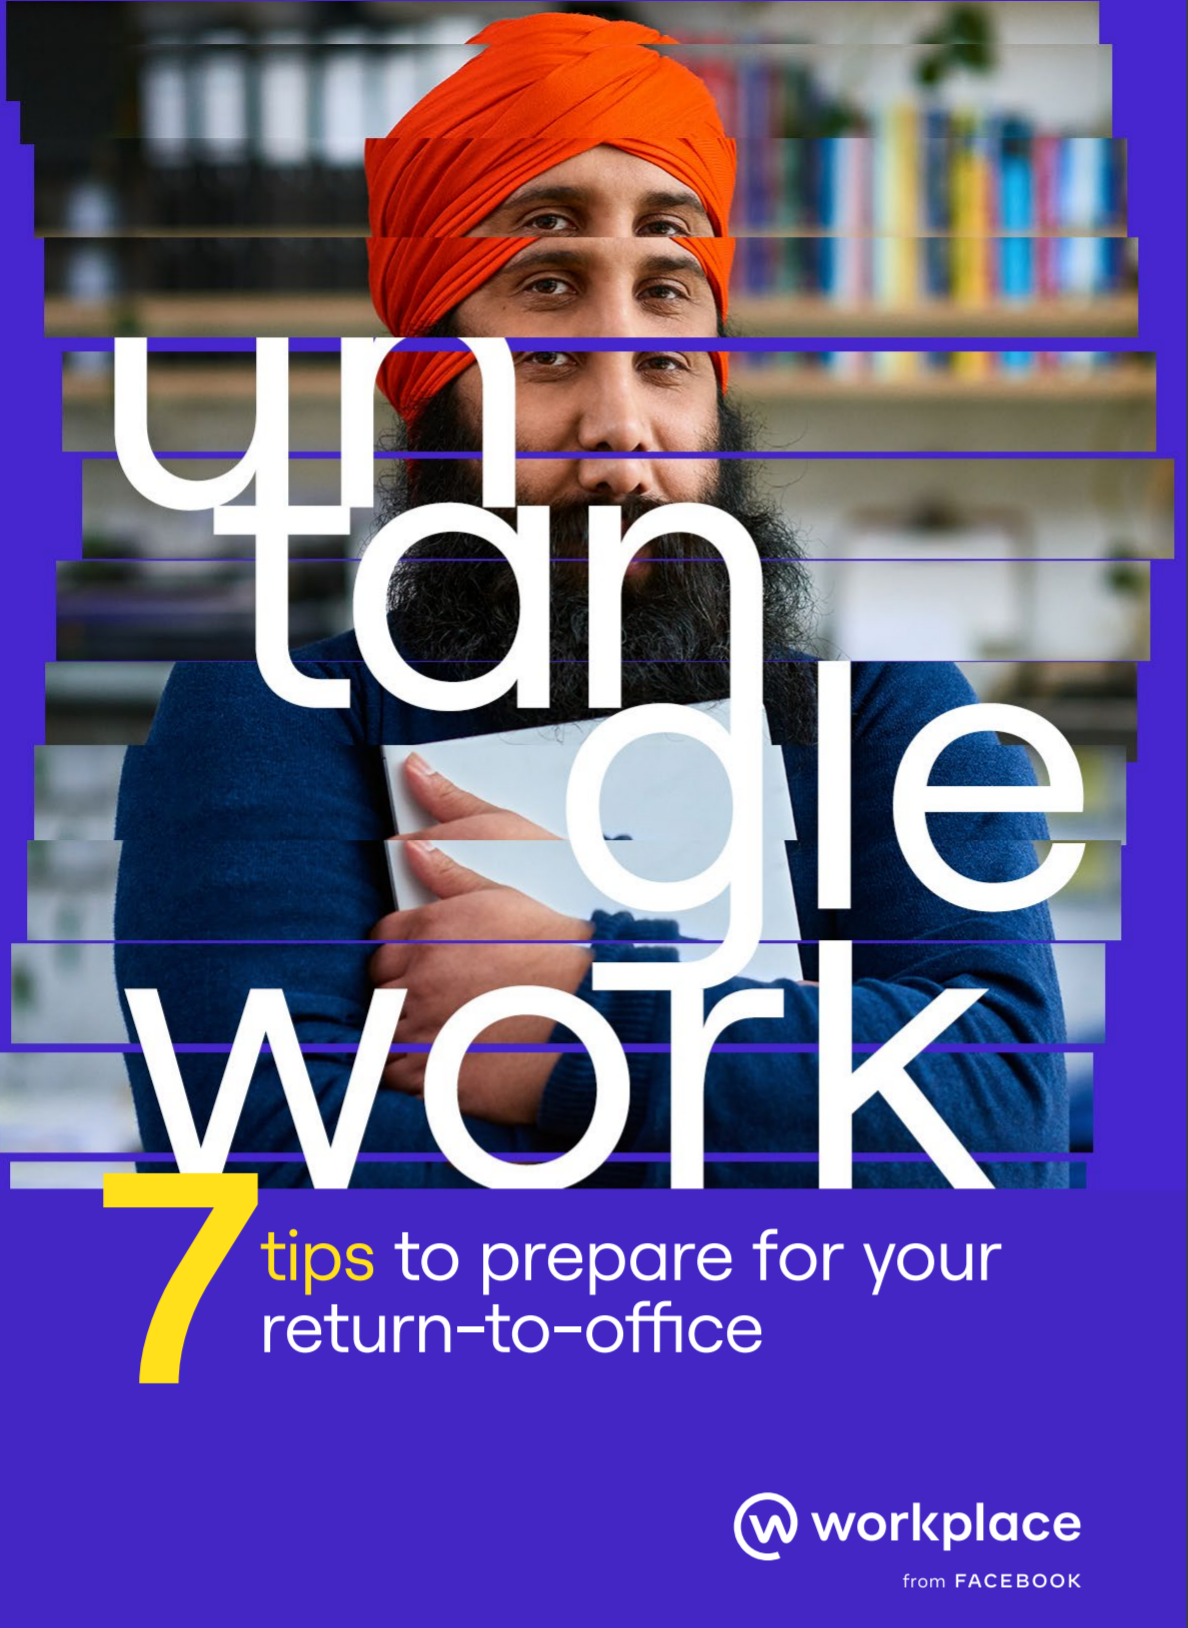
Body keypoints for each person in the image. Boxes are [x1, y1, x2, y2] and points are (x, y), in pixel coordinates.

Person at [114, 12, 1067, 1187]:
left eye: (666, 341)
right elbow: (284, 1192)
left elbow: (1001, 1126)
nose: (623, 433)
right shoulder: (268, 721)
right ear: (434, 395)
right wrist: (795, 1114)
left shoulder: (886, 719)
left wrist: (583, 1002)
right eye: (550, 338)